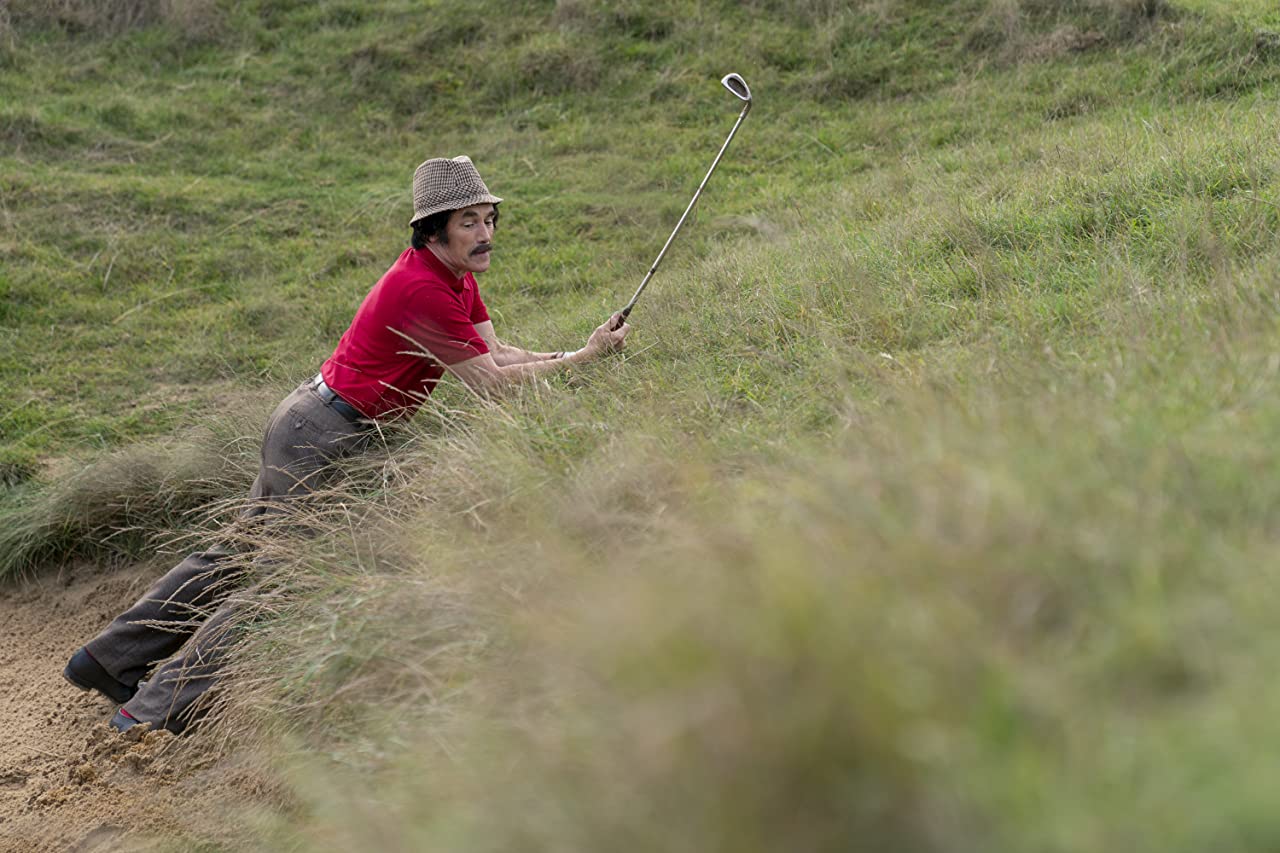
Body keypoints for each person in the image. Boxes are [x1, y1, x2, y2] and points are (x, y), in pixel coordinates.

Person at [62, 155, 631, 733]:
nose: (484, 234)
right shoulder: (422, 289)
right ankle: (149, 713)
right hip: (325, 437)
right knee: (283, 577)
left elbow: (498, 355)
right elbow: (489, 386)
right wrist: (584, 361)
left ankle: (105, 660)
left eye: (489, 219)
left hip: (311, 420)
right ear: (433, 230)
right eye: (469, 222)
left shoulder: (453, 277)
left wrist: (578, 355)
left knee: (237, 555)